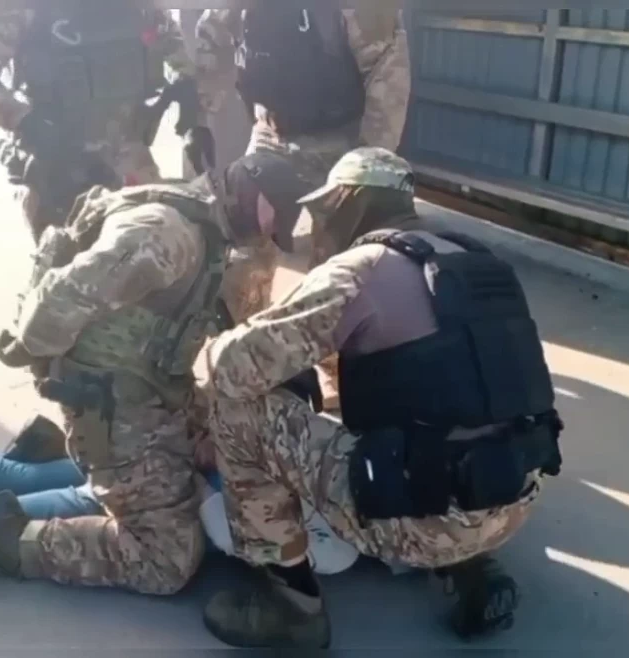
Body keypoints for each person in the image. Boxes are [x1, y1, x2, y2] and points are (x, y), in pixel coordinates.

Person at [0, 150, 318, 598]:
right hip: (114, 406)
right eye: (275, 217)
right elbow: (55, 302)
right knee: (166, 560)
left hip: (146, 390)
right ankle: (9, 540)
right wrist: (62, 381)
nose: (271, 231)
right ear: (253, 193)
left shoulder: (204, 228)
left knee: (228, 439)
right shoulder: (166, 236)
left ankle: (70, 458)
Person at [192, 148, 564, 648]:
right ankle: (474, 569)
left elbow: (233, 368)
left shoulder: (361, 268)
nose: (317, 226)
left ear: (350, 201)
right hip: (512, 500)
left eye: (324, 211)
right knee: (456, 415)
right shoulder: (478, 261)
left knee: (240, 410)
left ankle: (291, 603)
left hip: (419, 523)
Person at [193, 3, 413, 333]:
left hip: (340, 143)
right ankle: (241, 344)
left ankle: (325, 353)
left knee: (336, 268)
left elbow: (389, 77)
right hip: (271, 133)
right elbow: (212, 32)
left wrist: (369, 162)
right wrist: (204, 104)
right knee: (244, 246)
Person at [0, 5, 217, 243]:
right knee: (69, 269)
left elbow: (171, 44)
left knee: (142, 256)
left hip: (130, 158)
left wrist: (193, 112)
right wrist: (25, 122)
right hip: (59, 166)